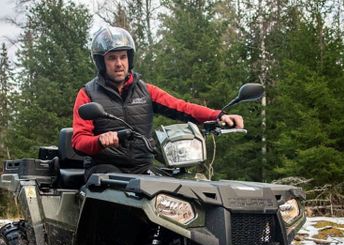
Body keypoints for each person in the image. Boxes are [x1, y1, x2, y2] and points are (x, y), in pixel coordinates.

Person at [71, 26, 244, 180]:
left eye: (123, 57)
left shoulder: (146, 90)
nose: (119, 64)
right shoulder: (88, 94)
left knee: (176, 190)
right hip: (104, 168)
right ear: (101, 62)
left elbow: (181, 107)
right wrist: (100, 141)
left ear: (129, 59)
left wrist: (218, 115)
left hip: (142, 168)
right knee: (115, 191)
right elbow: (79, 141)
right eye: (112, 58)